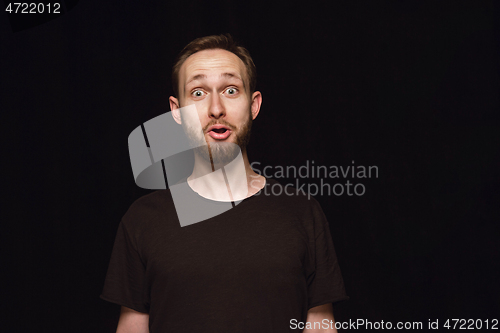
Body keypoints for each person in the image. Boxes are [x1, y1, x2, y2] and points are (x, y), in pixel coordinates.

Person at [100, 33, 348, 333]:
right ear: (177, 112)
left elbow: (320, 326)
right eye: (198, 93)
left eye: (231, 90)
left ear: (253, 105)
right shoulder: (141, 219)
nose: (216, 108)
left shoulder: (302, 212)